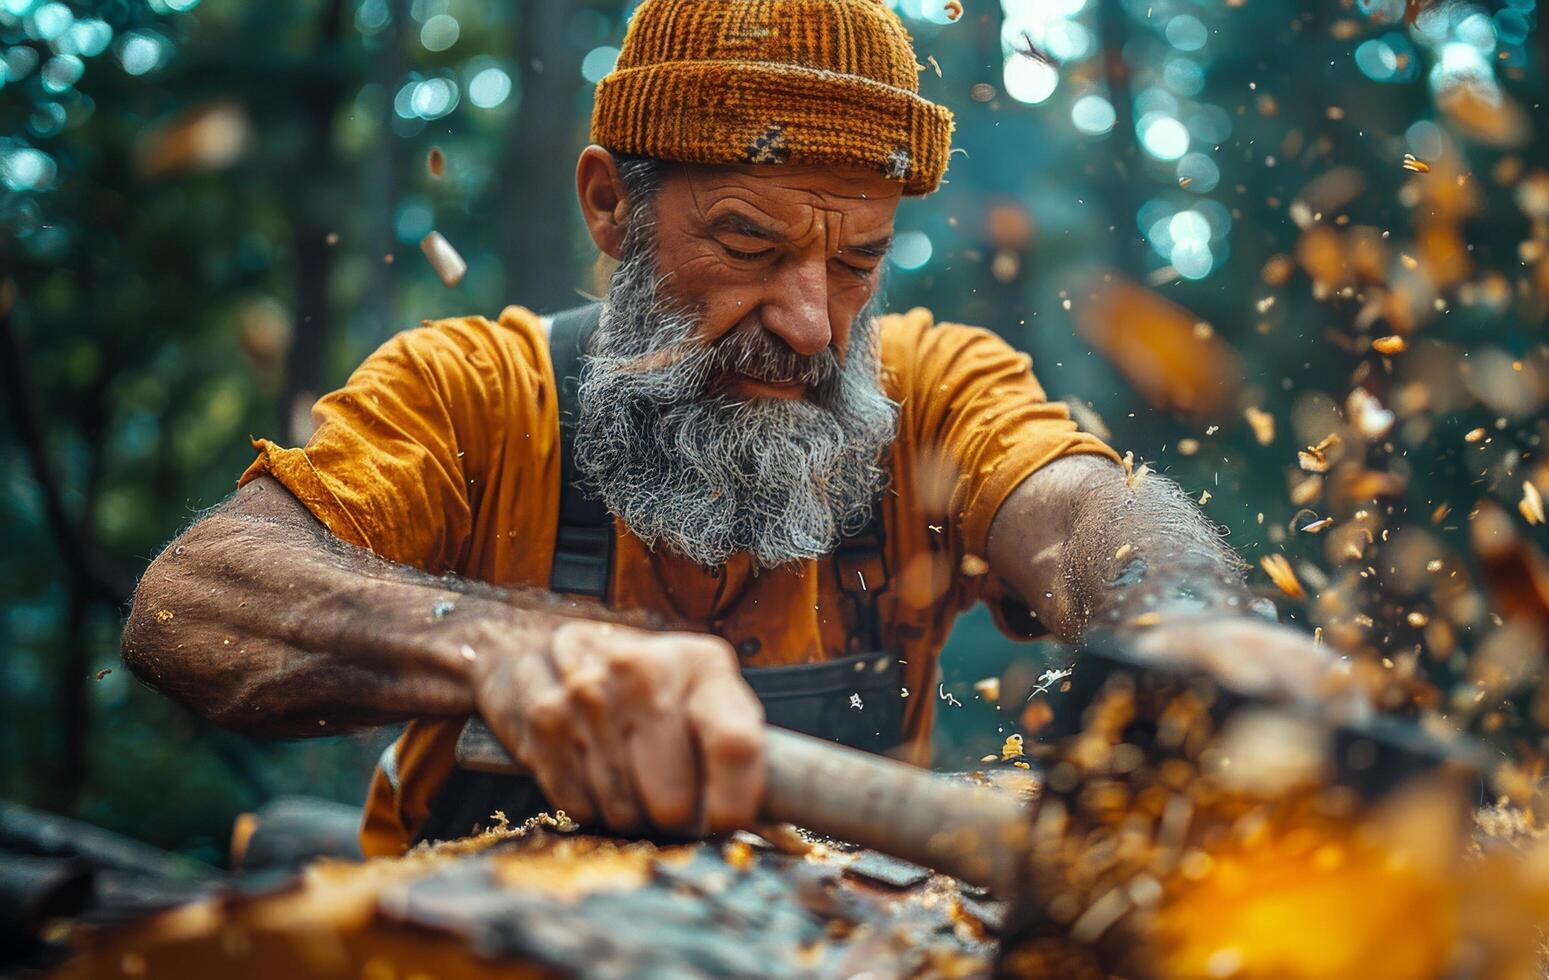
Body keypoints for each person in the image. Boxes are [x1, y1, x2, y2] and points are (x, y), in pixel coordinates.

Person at [121, 0, 1346, 857]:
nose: (814, 324)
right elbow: (195, 600)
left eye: (859, 260)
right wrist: (504, 650)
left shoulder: (926, 394)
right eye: (750, 244)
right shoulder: (477, 395)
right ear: (611, 205)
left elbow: (1083, 507)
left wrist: (1195, 621)